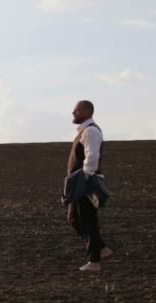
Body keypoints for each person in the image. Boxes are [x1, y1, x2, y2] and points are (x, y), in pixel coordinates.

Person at [67, 100, 114, 272]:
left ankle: (94, 262)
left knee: (88, 220)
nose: (73, 112)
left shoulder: (91, 131)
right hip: (81, 182)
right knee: (74, 219)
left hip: (85, 182)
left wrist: (84, 178)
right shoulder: (84, 131)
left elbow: (92, 157)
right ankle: (102, 249)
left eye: (77, 110)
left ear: (87, 112)